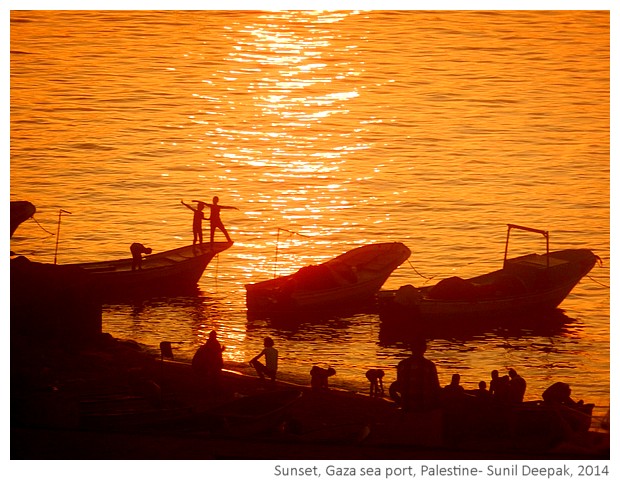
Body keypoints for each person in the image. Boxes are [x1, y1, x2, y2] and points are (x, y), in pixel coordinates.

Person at [395, 337, 441, 412]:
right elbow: (435, 388)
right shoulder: (429, 366)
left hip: (406, 407)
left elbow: (399, 386)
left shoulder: (402, 364)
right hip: (424, 407)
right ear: (424, 349)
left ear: (411, 348)